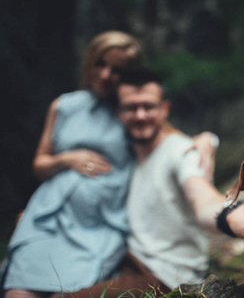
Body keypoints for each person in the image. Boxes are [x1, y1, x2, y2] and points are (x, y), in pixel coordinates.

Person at [0, 31, 218, 298]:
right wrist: (66, 159)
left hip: (100, 227)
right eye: (100, 64)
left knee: (66, 294)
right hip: (51, 216)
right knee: (17, 293)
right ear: (89, 62)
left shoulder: (131, 112)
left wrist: (208, 140)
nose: (105, 74)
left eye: (117, 70)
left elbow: (171, 139)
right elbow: (39, 164)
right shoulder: (64, 105)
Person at [52, 67, 244, 297]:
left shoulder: (182, 151)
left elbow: (203, 199)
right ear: (119, 113)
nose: (140, 115)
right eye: (131, 108)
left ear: (164, 109)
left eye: (148, 106)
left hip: (164, 276)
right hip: (122, 260)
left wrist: (233, 215)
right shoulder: (124, 157)